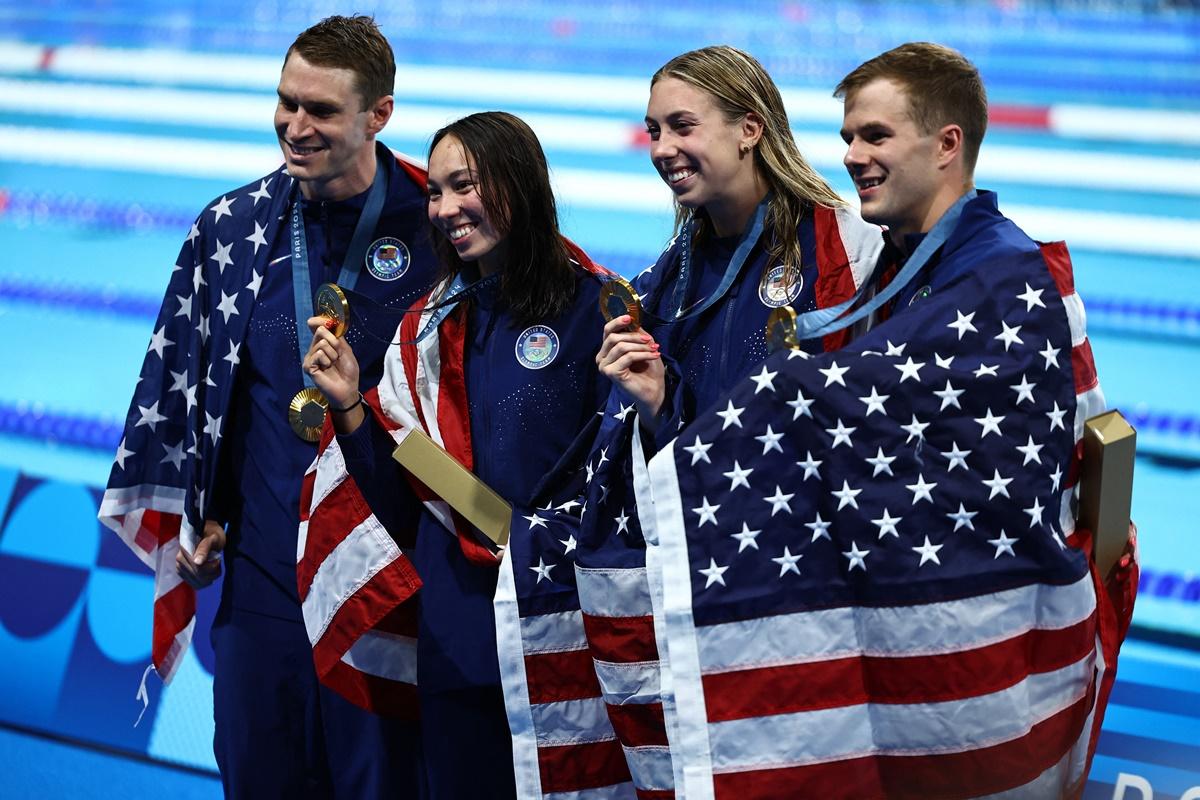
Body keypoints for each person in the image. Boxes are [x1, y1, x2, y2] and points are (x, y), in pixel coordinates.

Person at [621, 42, 1137, 798]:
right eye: (848, 139)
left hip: (971, 645)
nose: (854, 155)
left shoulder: (993, 273)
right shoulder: (900, 263)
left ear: (947, 143)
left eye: (875, 136)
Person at [490, 46, 886, 798]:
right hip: (694, 609)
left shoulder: (849, 254)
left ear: (749, 128)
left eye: (682, 126)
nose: (664, 149)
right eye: (653, 131)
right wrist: (656, 405)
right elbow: (662, 449)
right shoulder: (663, 282)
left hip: (800, 610)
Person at [98, 15, 436, 798]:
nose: (295, 125)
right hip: (264, 591)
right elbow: (190, 394)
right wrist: (200, 514)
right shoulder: (232, 228)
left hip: (388, 588)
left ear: (377, 115)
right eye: (286, 102)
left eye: (320, 111)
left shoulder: (437, 226)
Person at [301, 111, 612, 798]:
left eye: (462, 185)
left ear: (519, 183)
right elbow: (406, 504)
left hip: (562, 635)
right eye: (435, 190)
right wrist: (352, 404)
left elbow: (620, 490)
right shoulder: (428, 330)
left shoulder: (594, 309)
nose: (442, 208)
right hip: (459, 639)